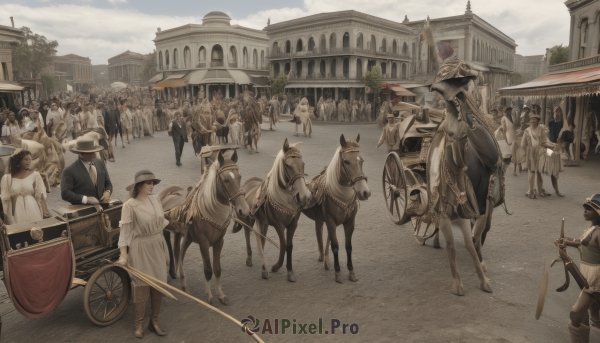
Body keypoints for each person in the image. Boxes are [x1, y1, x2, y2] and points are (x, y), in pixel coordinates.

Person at [115, 170, 169, 339]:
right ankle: (138, 324)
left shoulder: (155, 200)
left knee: (159, 283)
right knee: (142, 285)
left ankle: (154, 322)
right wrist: (123, 255)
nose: (152, 186)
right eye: (148, 183)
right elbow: (124, 233)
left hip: (158, 244)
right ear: (139, 186)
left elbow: (161, 223)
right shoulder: (129, 206)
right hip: (141, 247)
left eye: (153, 183)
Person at [554, 194, 600, 343]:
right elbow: (583, 243)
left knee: (577, 314)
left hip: (596, 281)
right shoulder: (593, 228)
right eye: (585, 208)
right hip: (589, 279)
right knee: (582, 314)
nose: (585, 211)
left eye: (589, 209)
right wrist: (565, 241)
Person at [0, 149, 51, 224]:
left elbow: (40, 195)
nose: (29, 161)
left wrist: (45, 210)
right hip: (16, 208)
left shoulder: (35, 175)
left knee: (35, 229)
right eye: (26, 159)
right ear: (18, 161)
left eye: (30, 159)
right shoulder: (7, 178)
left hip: (32, 206)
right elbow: (4, 198)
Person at [60, 136, 112, 205]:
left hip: (102, 208)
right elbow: (65, 193)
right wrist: (85, 199)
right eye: (90, 153)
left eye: (94, 152)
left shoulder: (100, 163)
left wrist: (108, 192)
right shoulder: (69, 171)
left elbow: (108, 183)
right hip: (83, 210)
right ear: (81, 154)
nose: (94, 155)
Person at [521, 113, 555, 198]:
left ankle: (540, 190)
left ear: (538, 121)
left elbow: (544, 142)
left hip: (540, 152)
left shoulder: (542, 129)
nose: (532, 121)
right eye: (531, 119)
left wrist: (551, 147)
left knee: (540, 171)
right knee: (531, 172)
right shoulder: (527, 130)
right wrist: (526, 151)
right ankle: (531, 191)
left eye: (534, 119)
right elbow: (523, 143)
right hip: (531, 152)